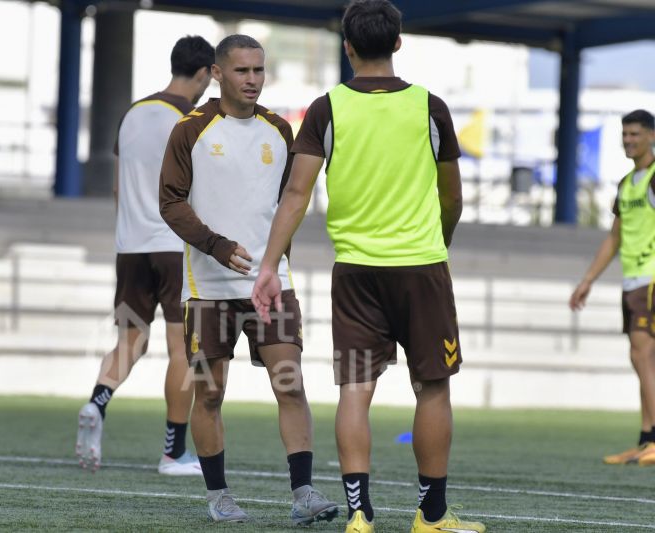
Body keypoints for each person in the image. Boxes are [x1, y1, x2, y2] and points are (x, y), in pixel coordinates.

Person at [251, 2, 486, 532]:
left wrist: (270, 265)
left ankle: (360, 516)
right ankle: (431, 517)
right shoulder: (431, 107)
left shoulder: (326, 108)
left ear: (347, 46)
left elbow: (296, 193)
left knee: (355, 389)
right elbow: (454, 199)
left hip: (354, 270)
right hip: (421, 266)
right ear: (399, 43)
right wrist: (438, 243)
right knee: (433, 388)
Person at [159, 34, 338, 525]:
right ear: (217, 73)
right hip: (208, 290)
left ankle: (303, 493)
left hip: (271, 285)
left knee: (291, 385)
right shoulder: (191, 130)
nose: (252, 79)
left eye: (259, 70)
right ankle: (218, 495)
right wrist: (216, 245)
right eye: (242, 71)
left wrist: (273, 262)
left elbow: (291, 202)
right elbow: (170, 202)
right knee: (210, 393)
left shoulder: (281, 131)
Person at [75, 36, 214, 475]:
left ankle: (98, 402)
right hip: (174, 248)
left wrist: (130, 231)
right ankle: (173, 452)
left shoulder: (132, 113)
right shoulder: (191, 119)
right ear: (206, 73)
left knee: (130, 340)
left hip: (130, 246)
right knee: (183, 350)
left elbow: (119, 187)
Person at [570, 109, 655, 467]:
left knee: (642, 355)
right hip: (632, 279)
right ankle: (645, 440)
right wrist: (588, 279)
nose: (628, 140)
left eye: (635, 134)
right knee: (643, 358)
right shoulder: (626, 184)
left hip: (651, 279)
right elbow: (615, 237)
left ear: (651, 135)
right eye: (624, 134)